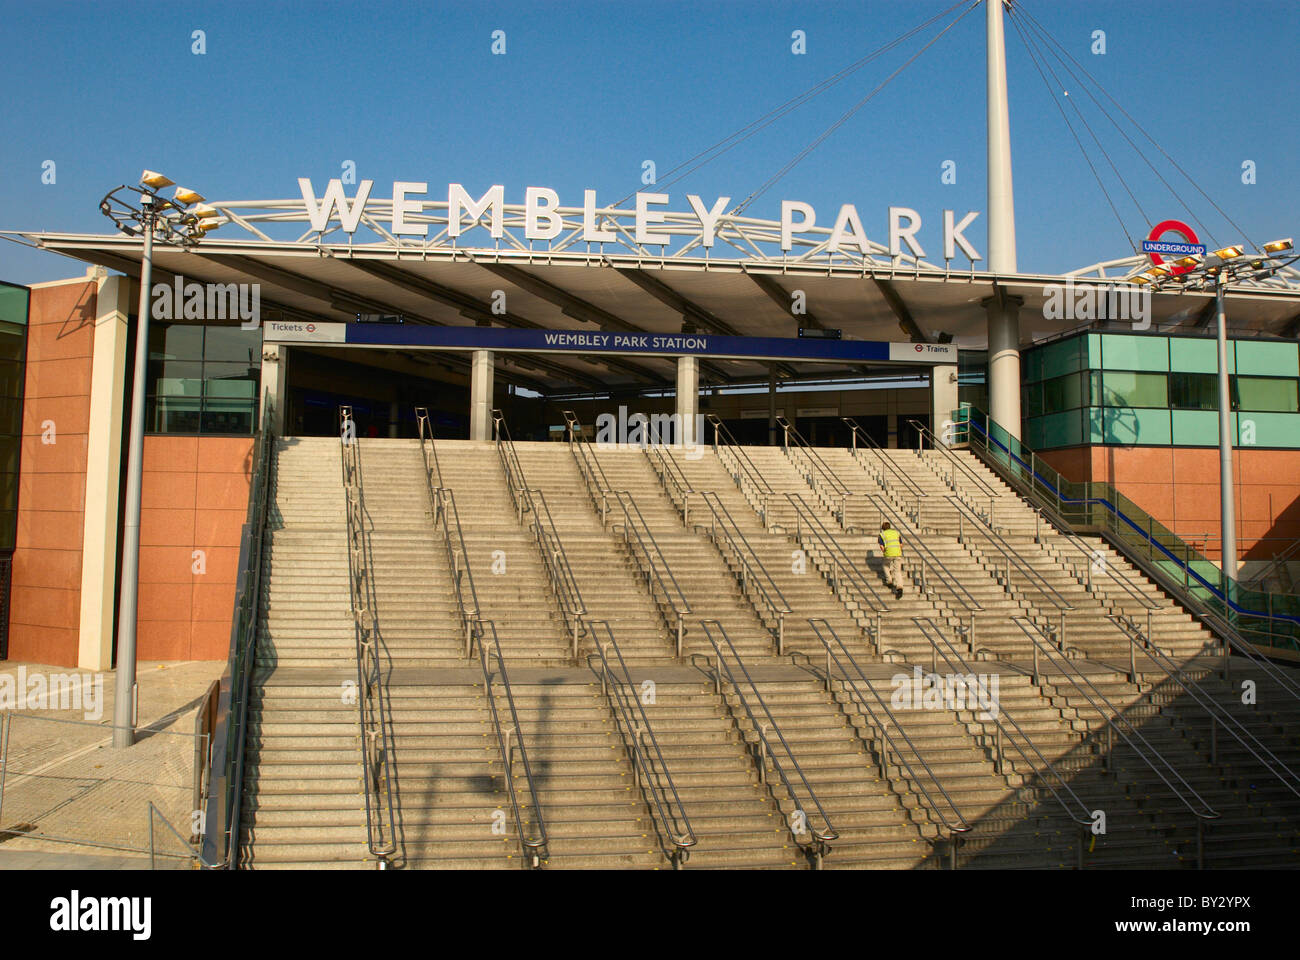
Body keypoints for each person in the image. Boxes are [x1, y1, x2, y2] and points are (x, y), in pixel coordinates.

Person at [878, 521, 903, 600]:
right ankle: (899, 587)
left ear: (883, 528)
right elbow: (901, 544)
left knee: (885, 565)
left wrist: (885, 552)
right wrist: (898, 551)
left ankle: (889, 581)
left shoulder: (882, 535)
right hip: (897, 553)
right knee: (897, 571)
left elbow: (882, 547)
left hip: (888, 553)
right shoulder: (896, 533)